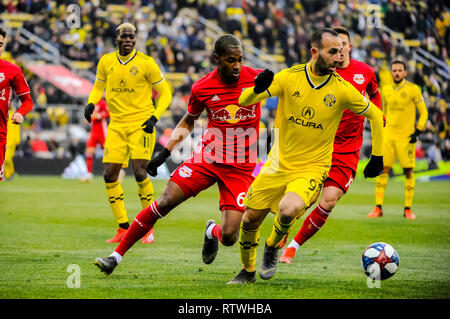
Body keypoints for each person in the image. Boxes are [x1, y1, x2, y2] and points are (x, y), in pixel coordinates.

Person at [93, 34, 263, 275]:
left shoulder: (257, 79)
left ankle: (211, 231)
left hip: (240, 167)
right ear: (217, 59)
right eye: (230, 60)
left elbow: (288, 88)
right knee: (164, 202)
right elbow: (189, 120)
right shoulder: (203, 87)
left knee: (229, 236)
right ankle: (115, 257)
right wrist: (166, 152)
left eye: (240, 60)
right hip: (208, 158)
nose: (236, 66)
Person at [227, 28, 385, 284]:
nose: (339, 58)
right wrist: (256, 89)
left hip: (312, 166)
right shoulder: (289, 77)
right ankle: (247, 271)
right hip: (277, 163)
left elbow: (376, 116)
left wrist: (377, 155)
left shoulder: (343, 89)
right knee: (250, 218)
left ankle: (272, 246)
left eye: (342, 52)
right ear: (314, 52)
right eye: (333, 52)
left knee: (288, 210)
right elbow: (244, 101)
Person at [280, 26, 383, 264]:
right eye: (337, 46)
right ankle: (282, 230)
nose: (341, 49)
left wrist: (378, 114)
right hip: (318, 144)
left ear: (350, 46)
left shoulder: (365, 72)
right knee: (307, 198)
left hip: (347, 148)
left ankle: (293, 247)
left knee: (329, 199)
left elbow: (375, 94)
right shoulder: (325, 72)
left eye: (344, 44)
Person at [85, 23, 172, 243]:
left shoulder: (146, 63)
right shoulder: (106, 61)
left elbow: (165, 93)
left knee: (140, 172)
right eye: (124, 36)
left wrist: (155, 117)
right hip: (116, 125)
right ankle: (123, 227)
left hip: (141, 124)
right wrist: (91, 103)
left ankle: (147, 227)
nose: (128, 40)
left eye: (131, 37)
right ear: (116, 38)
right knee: (108, 175)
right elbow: (97, 87)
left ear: (135, 39)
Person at [368, 59, 428, 220]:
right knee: (383, 171)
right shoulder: (385, 90)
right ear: (391, 72)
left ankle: (407, 209)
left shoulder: (413, 89)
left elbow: (424, 112)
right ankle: (378, 207)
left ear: (405, 73)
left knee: (408, 171)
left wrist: (418, 130)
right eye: (394, 70)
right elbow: (381, 113)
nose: (396, 73)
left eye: (400, 70)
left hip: (406, 138)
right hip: (388, 137)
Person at [0, 27, 33, 181]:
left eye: (0, 44)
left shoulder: (12, 70)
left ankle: (9, 173)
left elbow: (27, 101)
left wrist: (20, 113)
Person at [79, 99, 109, 182]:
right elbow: (90, 115)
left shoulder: (102, 103)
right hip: (94, 131)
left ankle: (118, 170)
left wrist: (98, 115)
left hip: (102, 131)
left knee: (108, 152)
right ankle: (88, 174)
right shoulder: (91, 103)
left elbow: (109, 113)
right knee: (89, 152)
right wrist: (88, 119)